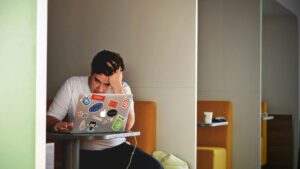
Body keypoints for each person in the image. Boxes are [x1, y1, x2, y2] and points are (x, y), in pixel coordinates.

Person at [47, 50, 163, 169]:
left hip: (117, 149)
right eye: (97, 81)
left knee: (155, 167)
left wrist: (117, 86)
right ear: (91, 72)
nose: (101, 89)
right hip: (81, 152)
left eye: (107, 84)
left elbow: (128, 125)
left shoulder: (122, 88)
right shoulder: (72, 84)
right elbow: (50, 118)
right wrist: (57, 124)